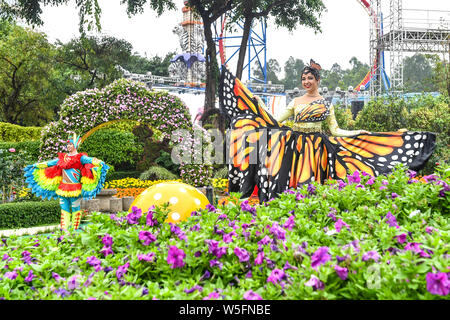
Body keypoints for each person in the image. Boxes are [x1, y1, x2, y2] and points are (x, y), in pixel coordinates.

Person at [219, 60, 436, 202]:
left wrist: (358, 133)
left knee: (314, 185)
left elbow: (336, 130)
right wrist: (259, 106)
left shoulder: (326, 104)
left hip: (318, 148)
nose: (306, 82)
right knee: (291, 183)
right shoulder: (295, 102)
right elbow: (274, 121)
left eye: (309, 79)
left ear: (317, 80)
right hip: (294, 148)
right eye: (303, 79)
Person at [24, 133, 110, 230]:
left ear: (75, 145)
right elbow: (51, 163)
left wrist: (99, 162)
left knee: (75, 208)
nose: (68, 146)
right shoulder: (63, 158)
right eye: (67, 144)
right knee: (63, 208)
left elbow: (90, 160)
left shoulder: (80, 157)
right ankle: (64, 230)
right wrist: (37, 165)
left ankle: (74, 230)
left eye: (70, 144)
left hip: (75, 189)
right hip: (63, 188)